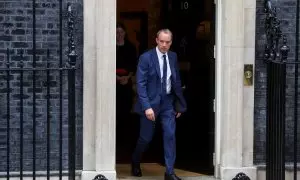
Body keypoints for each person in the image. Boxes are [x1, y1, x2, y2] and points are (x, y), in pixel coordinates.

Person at [131, 29, 187, 180]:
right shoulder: (146, 58)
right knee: (146, 138)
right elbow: (140, 84)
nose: (164, 45)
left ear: (171, 42)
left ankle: (169, 172)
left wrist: (179, 104)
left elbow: (176, 81)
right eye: (161, 41)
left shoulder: (173, 57)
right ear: (156, 40)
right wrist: (147, 106)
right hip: (150, 103)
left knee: (170, 135)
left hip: (168, 103)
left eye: (167, 42)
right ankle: (135, 161)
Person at [116, 22, 137, 126]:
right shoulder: (110, 48)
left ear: (125, 33)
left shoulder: (131, 47)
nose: (119, 35)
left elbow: (134, 65)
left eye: (121, 32)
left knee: (126, 108)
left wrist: (127, 77)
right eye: (117, 32)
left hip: (126, 81)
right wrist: (117, 78)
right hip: (113, 82)